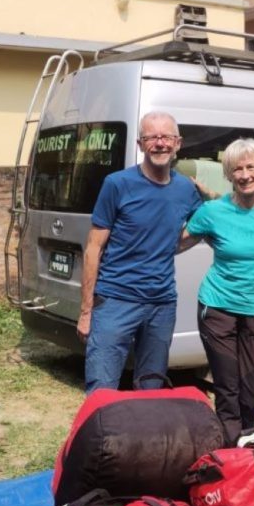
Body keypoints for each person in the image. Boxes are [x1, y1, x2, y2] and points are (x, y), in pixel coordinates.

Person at [77, 111, 202, 393]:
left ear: (178, 143)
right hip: (115, 300)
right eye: (151, 137)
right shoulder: (117, 184)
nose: (160, 144)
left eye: (166, 137)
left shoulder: (185, 188)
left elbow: (203, 225)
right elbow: (93, 248)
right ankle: (100, 437)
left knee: (151, 386)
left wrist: (179, 243)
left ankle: (144, 437)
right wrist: (86, 311)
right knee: (102, 388)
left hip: (161, 303)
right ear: (140, 144)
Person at [182, 138, 254, 442]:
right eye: (236, 169)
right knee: (228, 388)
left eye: (251, 167)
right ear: (229, 174)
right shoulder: (213, 212)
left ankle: (243, 437)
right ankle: (230, 454)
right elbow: (177, 242)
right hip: (218, 308)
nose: (245, 174)